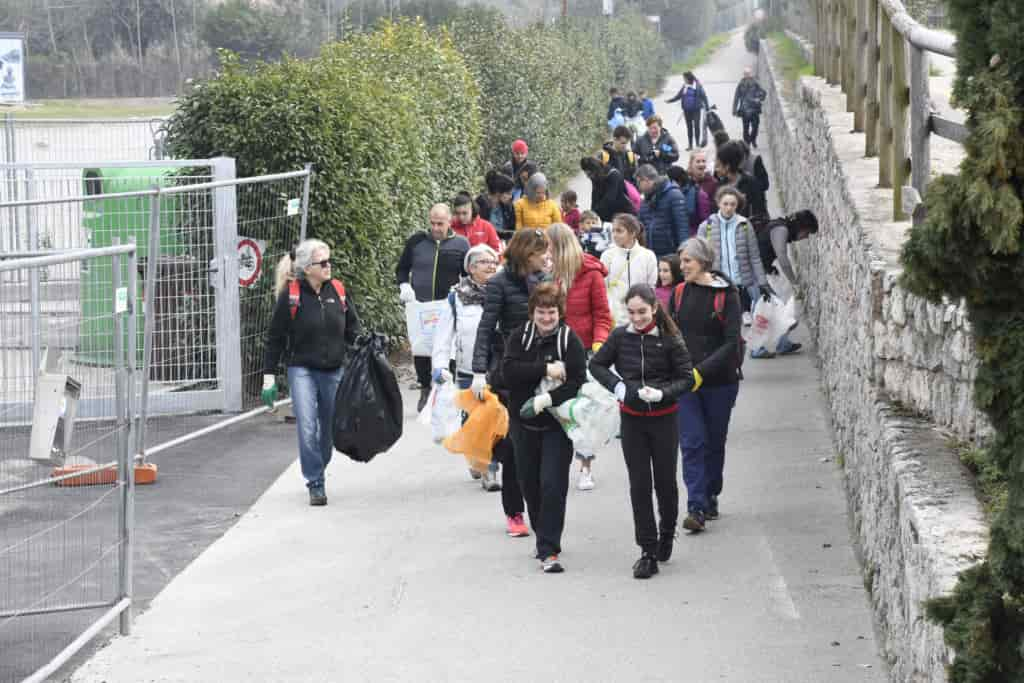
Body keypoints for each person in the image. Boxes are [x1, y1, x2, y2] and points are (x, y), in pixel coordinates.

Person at [591, 283, 696, 578]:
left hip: (664, 418)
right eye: (632, 312)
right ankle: (647, 550)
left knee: (664, 482)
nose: (637, 318)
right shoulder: (620, 336)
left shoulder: (670, 339)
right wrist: (619, 387)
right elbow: (597, 365)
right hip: (633, 419)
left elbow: (686, 378)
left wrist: (663, 393)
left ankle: (667, 531)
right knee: (639, 484)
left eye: (642, 312)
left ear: (653, 309)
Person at [263, 239, 361, 506]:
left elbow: (352, 328)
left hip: (333, 370)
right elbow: (275, 337)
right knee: (307, 427)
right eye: (323, 263)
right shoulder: (291, 296)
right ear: (307, 268)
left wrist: (366, 346)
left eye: (329, 261)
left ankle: (318, 464)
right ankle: (315, 481)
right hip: (302, 369)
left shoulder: (338, 291)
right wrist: (269, 375)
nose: (329, 267)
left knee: (328, 430)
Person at [471, 229, 551, 538]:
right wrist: (479, 371)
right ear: (525, 254)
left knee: (543, 446)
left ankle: (541, 509)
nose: (545, 257)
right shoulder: (500, 284)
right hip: (510, 373)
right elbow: (486, 327)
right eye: (540, 252)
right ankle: (515, 511)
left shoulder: (543, 280)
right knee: (514, 448)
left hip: (543, 371)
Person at [502, 282, 587, 573]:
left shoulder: (568, 340)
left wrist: (547, 398)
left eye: (552, 312)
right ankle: (542, 533)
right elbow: (508, 372)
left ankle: (548, 550)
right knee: (530, 485)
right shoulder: (519, 337)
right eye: (542, 312)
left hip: (557, 425)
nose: (547, 318)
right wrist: (543, 369)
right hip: (522, 423)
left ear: (560, 312)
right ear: (532, 313)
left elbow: (577, 382)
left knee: (552, 485)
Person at [670, 237, 743, 533]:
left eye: (687, 260)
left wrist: (702, 371)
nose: (682, 266)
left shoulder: (727, 295)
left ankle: (711, 492)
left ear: (702, 262)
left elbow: (731, 342)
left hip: (720, 382)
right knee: (692, 442)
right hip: (686, 382)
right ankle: (696, 506)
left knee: (714, 442)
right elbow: (671, 333)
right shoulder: (678, 293)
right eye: (681, 260)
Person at [431, 244, 506, 492]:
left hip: (498, 367)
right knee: (472, 418)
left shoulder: (503, 291)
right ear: (471, 268)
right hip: (468, 369)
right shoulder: (457, 297)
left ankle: (490, 469)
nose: (491, 266)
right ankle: (477, 455)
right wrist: (440, 366)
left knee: (492, 416)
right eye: (485, 262)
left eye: (493, 262)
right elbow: (443, 337)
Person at [548, 223, 613, 491]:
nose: (546, 251)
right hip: (554, 350)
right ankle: (557, 466)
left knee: (584, 413)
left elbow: (602, 313)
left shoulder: (590, 274)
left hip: (584, 349)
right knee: (558, 410)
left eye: (549, 246)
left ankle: (585, 466)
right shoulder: (548, 275)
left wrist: (599, 344)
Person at [396, 204, 471, 411]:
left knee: (449, 349)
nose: (436, 227)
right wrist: (404, 285)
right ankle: (425, 388)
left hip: (447, 306)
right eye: (433, 223)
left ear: (449, 221)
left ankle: (447, 392)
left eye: (440, 223)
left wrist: (463, 293)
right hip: (420, 306)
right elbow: (402, 269)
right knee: (421, 349)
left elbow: (468, 275)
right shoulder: (417, 242)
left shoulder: (461, 244)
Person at [697, 187, 771, 320]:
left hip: (742, 285)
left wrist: (763, 283)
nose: (729, 208)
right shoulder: (706, 226)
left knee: (747, 323)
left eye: (733, 204)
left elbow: (754, 257)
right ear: (719, 203)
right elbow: (699, 259)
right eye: (725, 204)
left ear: (737, 205)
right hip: (718, 285)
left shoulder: (744, 225)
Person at [753, 210, 820, 356]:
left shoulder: (780, 226)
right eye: (806, 233)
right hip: (756, 273)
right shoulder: (781, 229)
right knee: (765, 311)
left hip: (763, 270)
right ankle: (756, 348)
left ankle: (782, 343)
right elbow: (782, 258)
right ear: (801, 227)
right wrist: (794, 282)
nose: (805, 237)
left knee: (783, 309)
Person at [601, 213, 658, 327]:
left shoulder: (648, 256)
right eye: (613, 231)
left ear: (632, 233)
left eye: (619, 231)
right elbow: (603, 287)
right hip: (615, 320)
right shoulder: (607, 255)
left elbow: (651, 287)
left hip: (641, 318)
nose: (614, 235)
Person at [635, 163, 689, 259]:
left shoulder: (674, 195)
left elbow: (682, 227)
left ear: (646, 180)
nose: (638, 186)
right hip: (651, 254)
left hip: (670, 254)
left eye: (639, 182)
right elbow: (640, 226)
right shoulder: (645, 200)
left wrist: (683, 252)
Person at [715, 140, 769, 225]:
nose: (716, 169)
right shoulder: (719, 187)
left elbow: (760, 213)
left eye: (719, 165)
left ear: (727, 166)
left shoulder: (751, 183)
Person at [580, 156, 634, 223]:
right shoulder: (595, 177)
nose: (589, 177)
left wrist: (595, 213)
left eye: (589, 174)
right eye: (587, 175)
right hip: (606, 216)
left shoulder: (614, 175)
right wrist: (591, 214)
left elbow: (609, 199)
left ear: (596, 170)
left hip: (622, 215)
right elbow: (595, 196)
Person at [666, 71, 709, 151]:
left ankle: (697, 144)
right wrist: (670, 100)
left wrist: (708, 108)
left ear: (689, 78)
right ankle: (690, 145)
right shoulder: (685, 86)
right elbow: (678, 96)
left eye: (684, 78)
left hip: (696, 110)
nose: (684, 80)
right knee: (689, 127)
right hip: (686, 110)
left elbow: (704, 96)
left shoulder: (697, 86)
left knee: (696, 126)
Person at [666, 166, 712, 238]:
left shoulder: (699, 194)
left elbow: (707, 222)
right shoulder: (669, 195)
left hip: (694, 239)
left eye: (668, 181)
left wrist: (706, 240)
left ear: (676, 181)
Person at [476, 170, 517, 238]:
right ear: (498, 192)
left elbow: (511, 228)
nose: (510, 197)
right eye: (508, 193)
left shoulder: (508, 206)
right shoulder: (480, 205)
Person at [733, 67, 766, 148]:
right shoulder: (740, 84)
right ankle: (746, 143)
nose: (747, 75)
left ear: (750, 74)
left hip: (754, 109)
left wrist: (759, 98)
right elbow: (736, 97)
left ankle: (753, 139)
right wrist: (734, 109)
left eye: (748, 73)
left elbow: (763, 92)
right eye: (745, 74)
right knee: (745, 128)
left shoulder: (755, 83)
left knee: (755, 127)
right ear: (744, 75)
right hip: (744, 110)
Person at [688, 150, 719, 216]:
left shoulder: (713, 183)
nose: (701, 164)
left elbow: (715, 207)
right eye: (698, 161)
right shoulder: (685, 181)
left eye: (703, 161)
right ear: (691, 164)